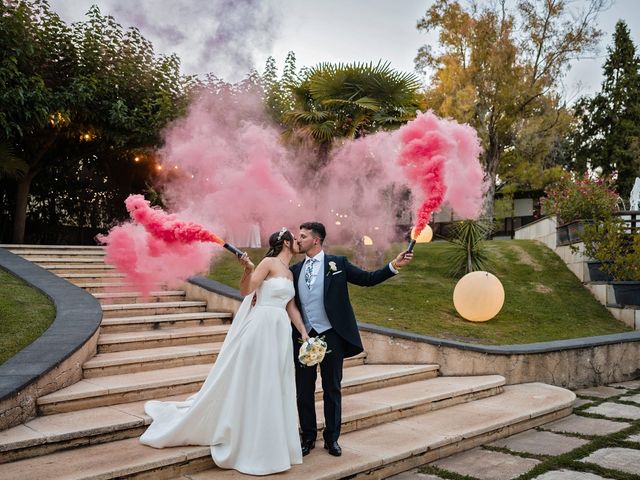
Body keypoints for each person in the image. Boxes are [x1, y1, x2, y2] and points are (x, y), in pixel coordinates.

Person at [140, 228, 309, 476]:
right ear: (285, 242)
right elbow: (246, 291)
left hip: (280, 331)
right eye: (294, 238)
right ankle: (249, 435)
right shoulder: (268, 263)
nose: (297, 242)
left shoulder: (290, 273)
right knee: (258, 380)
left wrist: (303, 333)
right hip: (260, 327)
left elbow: (291, 306)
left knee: (275, 381)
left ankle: (273, 438)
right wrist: (248, 269)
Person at [292, 221, 413, 457]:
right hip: (304, 337)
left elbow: (368, 279)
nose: (299, 240)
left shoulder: (338, 263)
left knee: (332, 388)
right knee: (303, 390)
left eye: (303, 236)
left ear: (316, 240)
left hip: (332, 335)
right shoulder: (295, 270)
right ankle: (307, 437)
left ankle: (332, 439)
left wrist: (394, 265)